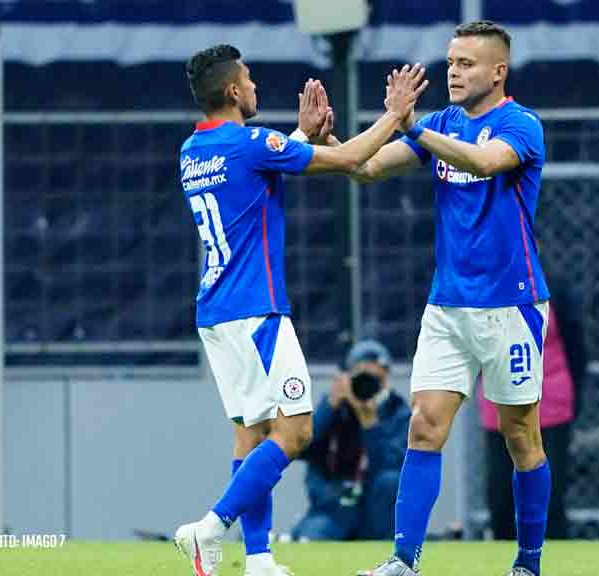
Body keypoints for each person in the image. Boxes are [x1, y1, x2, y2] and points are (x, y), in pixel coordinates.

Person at [171, 44, 427, 576]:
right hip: (257, 311)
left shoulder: (193, 151)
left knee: (252, 435)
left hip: (216, 313)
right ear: (235, 92)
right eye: (250, 79)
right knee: (296, 432)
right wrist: (395, 116)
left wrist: (301, 135)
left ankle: (259, 558)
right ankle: (209, 528)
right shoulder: (251, 144)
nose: (257, 87)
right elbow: (353, 160)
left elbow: (254, 171)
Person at [350, 20, 551, 576]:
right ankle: (403, 561)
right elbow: (365, 169)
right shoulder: (439, 123)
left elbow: (482, 163)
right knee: (424, 425)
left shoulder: (520, 124)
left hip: (511, 306)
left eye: (466, 63)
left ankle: (528, 562)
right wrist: (324, 139)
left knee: (520, 437)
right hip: (448, 305)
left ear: (498, 71)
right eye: (451, 62)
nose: (453, 72)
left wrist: (412, 125)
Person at [478, 277, 586, 540]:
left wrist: (573, 395)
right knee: (500, 492)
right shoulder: (482, 287)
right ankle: (502, 550)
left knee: (550, 490)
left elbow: (576, 346)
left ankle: (552, 554)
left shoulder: (554, 289)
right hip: (500, 401)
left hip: (551, 401)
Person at [292, 340, 411, 541]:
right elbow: (300, 449)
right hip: (333, 507)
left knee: (390, 480)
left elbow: (393, 467)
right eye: (360, 377)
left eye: (374, 379)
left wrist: (371, 425)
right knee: (312, 540)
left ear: (386, 379)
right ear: (347, 378)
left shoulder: (398, 412)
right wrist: (329, 407)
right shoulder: (334, 407)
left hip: (376, 513)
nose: (366, 386)